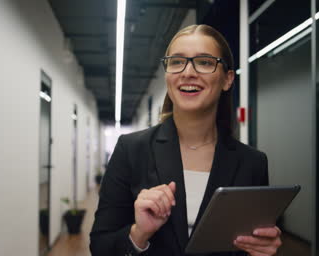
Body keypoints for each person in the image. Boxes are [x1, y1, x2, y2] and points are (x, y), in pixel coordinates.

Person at [90, 24, 282, 256]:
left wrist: (264, 251)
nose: (188, 72)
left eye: (204, 62)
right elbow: (100, 246)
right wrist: (139, 233)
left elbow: (252, 242)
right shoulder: (131, 150)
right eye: (177, 61)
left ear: (227, 79)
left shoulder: (252, 163)